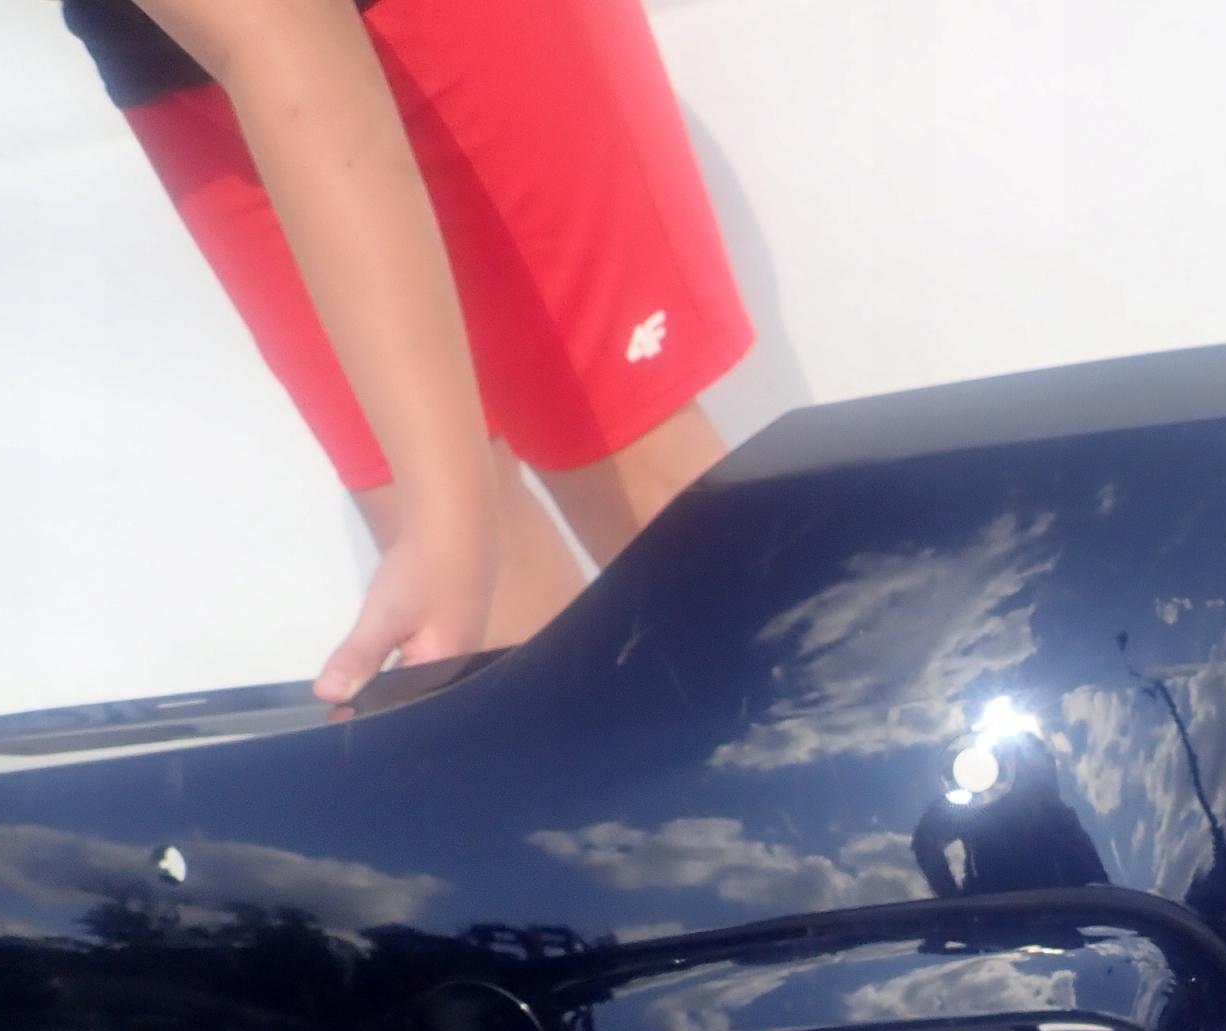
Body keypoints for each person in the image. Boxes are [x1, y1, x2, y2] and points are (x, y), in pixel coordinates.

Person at [60, 0, 756, 703]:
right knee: (435, 561)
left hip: (430, 22)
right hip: (172, 59)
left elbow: (290, 45)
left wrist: (446, 522)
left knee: (623, 461)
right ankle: (599, 765)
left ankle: (795, 736)